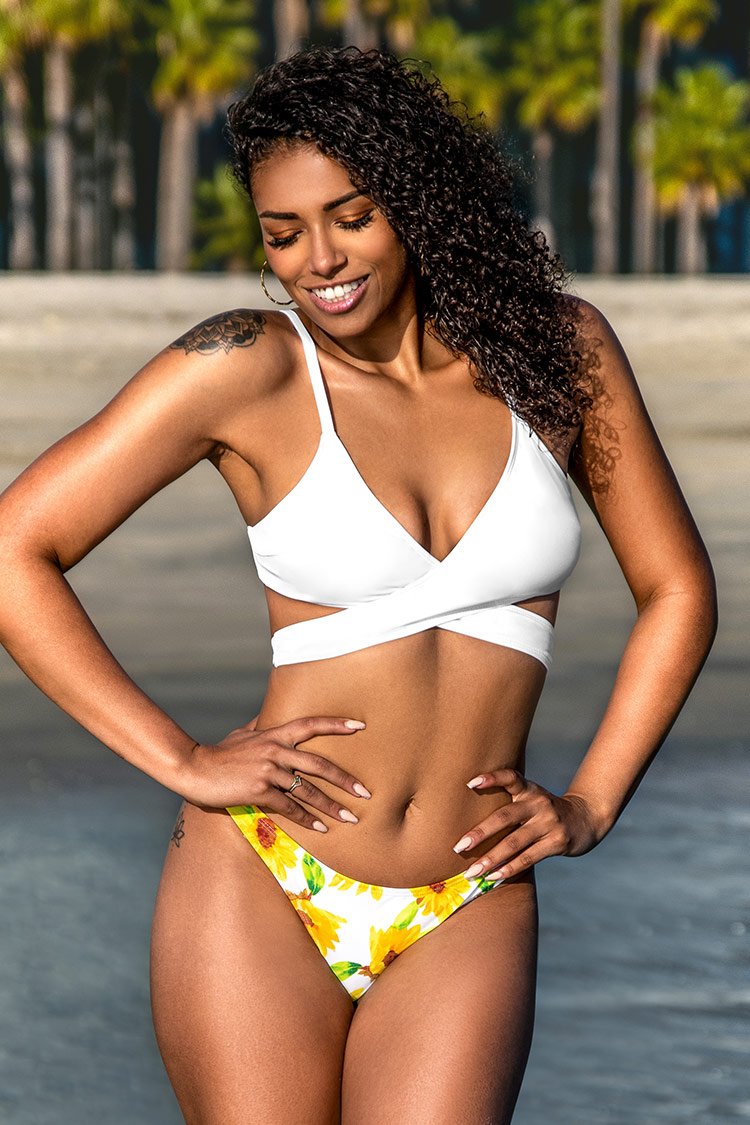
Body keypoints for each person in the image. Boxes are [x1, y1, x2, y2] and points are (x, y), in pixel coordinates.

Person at [0, 45, 716, 1125]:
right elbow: (17, 546)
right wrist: (181, 760)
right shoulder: (250, 366)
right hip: (266, 870)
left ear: (418, 204)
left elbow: (676, 589)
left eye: (352, 217)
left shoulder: (556, 352)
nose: (319, 260)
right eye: (283, 233)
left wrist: (592, 802)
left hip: (471, 887)